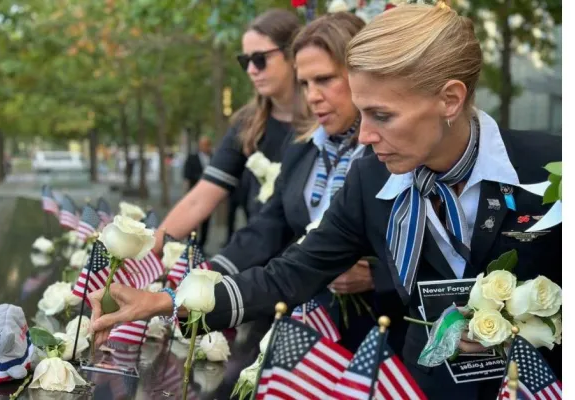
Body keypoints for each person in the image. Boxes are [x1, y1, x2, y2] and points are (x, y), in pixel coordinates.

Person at [91, 4, 561, 399]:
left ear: (450, 99)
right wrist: (170, 299)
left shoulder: (554, 166)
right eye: (362, 113)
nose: (368, 135)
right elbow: (291, 273)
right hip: (421, 385)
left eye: (382, 115)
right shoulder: (371, 175)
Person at [207, 12, 404, 353]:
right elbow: (268, 227)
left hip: (384, 336)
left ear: (362, 75)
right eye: (305, 83)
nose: (312, 96)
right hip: (308, 330)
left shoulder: (399, 152)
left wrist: (377, 277)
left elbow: (440, 250)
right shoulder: (300, 148)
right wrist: (206, 276)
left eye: (325, 79)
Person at [153, 9, 314, 253]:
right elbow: (201, 197)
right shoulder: (247, 124)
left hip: (320, 266)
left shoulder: (327, 118)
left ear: (292, 55)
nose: (251, 70)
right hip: (259, 260)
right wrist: (148, 251)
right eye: (245, 61)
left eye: (260, 59)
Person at [183, 136, 213, 249]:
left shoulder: (213, 158)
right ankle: (192, 244)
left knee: (206, 221)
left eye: (207, 144)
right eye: (202, 144)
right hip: (194, 192)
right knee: (193, 220)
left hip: (209, 195)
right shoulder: (192, 158)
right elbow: (187, 174)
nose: (205, 147)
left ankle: (202, 245)